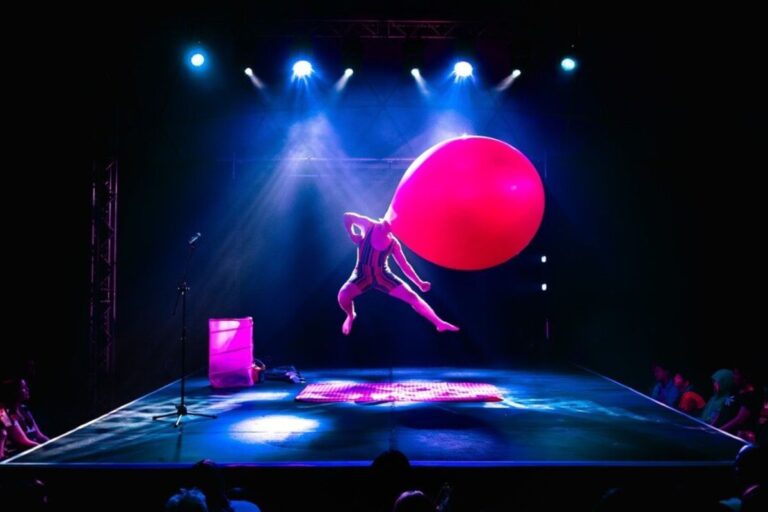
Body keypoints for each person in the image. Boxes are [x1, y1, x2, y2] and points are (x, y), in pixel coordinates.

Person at [337, 212, 459, 335]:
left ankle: (439, 323)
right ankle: (351, 315)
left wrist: (419, 283)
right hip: (362, 274)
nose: (386, 229)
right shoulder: (369, 225)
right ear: (383, 220)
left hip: (382, 275)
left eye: (390, 229)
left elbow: (405, 265)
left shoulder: (393, 243)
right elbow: (347, 217)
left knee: (412, 296)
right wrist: (351, 234)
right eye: (386, 224)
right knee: (343, 296)